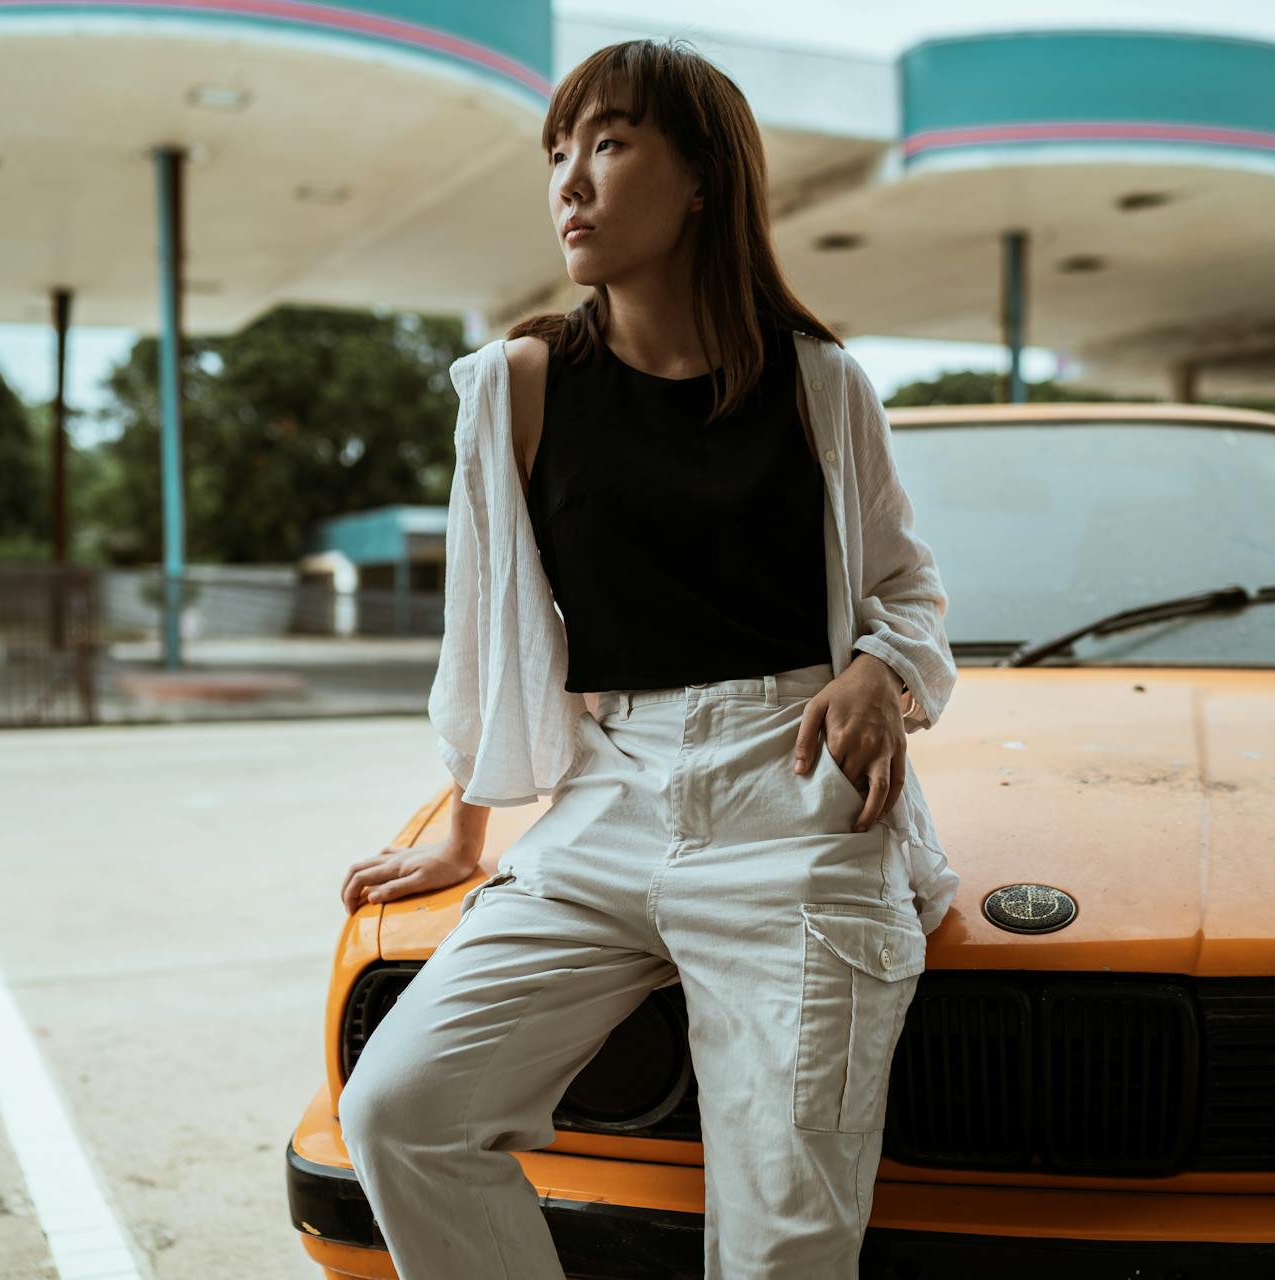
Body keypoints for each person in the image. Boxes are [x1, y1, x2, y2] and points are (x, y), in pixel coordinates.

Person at [334, 36, 959, 1279]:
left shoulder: (822, 386)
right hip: (611, 801)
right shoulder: (516, 388)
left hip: (796, 806)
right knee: (399, 1110)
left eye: (610, 144)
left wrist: (878, 673)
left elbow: (910, 596)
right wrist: (463, 830)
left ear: (702, 181)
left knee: (783, 1249)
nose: (570, 180)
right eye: (558, 151)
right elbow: (494, 637)